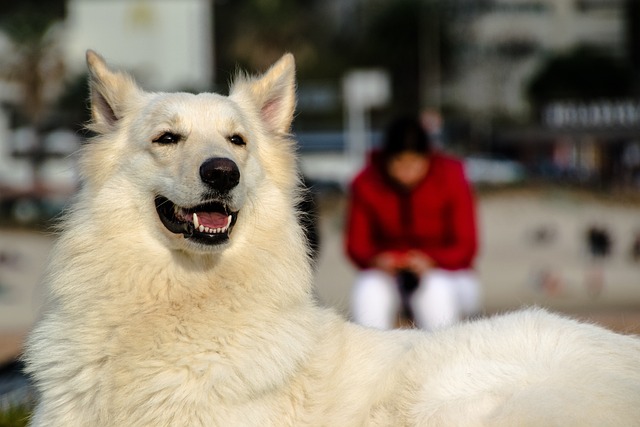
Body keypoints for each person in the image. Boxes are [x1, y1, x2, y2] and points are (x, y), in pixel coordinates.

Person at [344, 115, 480, 331]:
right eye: (399, 163)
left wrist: (431, 261)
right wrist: (378, 260)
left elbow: (466, 247)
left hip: (447, 272)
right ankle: (374, 359)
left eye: (415, 163)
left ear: (428, 158)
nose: (407, 172)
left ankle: (442, 357)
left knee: (435, 290)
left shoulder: (452, 177)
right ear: (386, 159)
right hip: (389, 273)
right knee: (368, 290)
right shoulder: (366, 183)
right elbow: (356, 246)